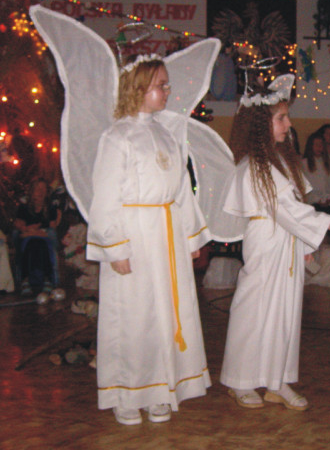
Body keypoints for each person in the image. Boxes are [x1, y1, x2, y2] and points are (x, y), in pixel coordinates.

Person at [220, 75, 330, 411]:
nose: (289, 124)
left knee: (285, 312)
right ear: (261, 124)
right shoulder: (254, 166)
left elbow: (295, 207)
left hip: (286, 242)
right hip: (266, 243)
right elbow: (284, 208)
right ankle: (239, 380)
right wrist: (329, 223)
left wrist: (306, 246)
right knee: (254, 311)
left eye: (287, 117)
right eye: (281, 118)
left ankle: (277, 379)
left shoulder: (280, 161)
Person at [86, 55, 211, 425]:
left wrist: (191, 237)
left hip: (166, 234)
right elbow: (105, 196)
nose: (168, 91)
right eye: (161, 85)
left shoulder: (167, 134)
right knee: (133, 314)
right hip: (135, 235)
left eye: (167, 84)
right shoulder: (117, 137)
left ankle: (158, 388)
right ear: (139, 88)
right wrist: (115, 247)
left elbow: (182, 191)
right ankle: (127, 392)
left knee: (163, 314)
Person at [13, 178, 61, 294]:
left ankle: (47, 279)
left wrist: (30, 232)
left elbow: (51, 229)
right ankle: (26, 279)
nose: (40, 192)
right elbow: (19, 225)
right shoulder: (24, 208)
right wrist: (29, 231)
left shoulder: (51, 208)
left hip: (45, 238)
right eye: (37, 189)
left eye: (43, 189)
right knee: (33, 244)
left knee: (41, 243)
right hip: (30, 240)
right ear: (32, 191)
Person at [302, 131, 330, 213]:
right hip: (312, 204)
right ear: (311, 146)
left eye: (321, 145)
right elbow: (306, 186)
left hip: (328, 203)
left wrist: (329, 198)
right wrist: (317, 200)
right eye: (316, 145)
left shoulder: (328, 163)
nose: (319, 147)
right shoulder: (304, 164)